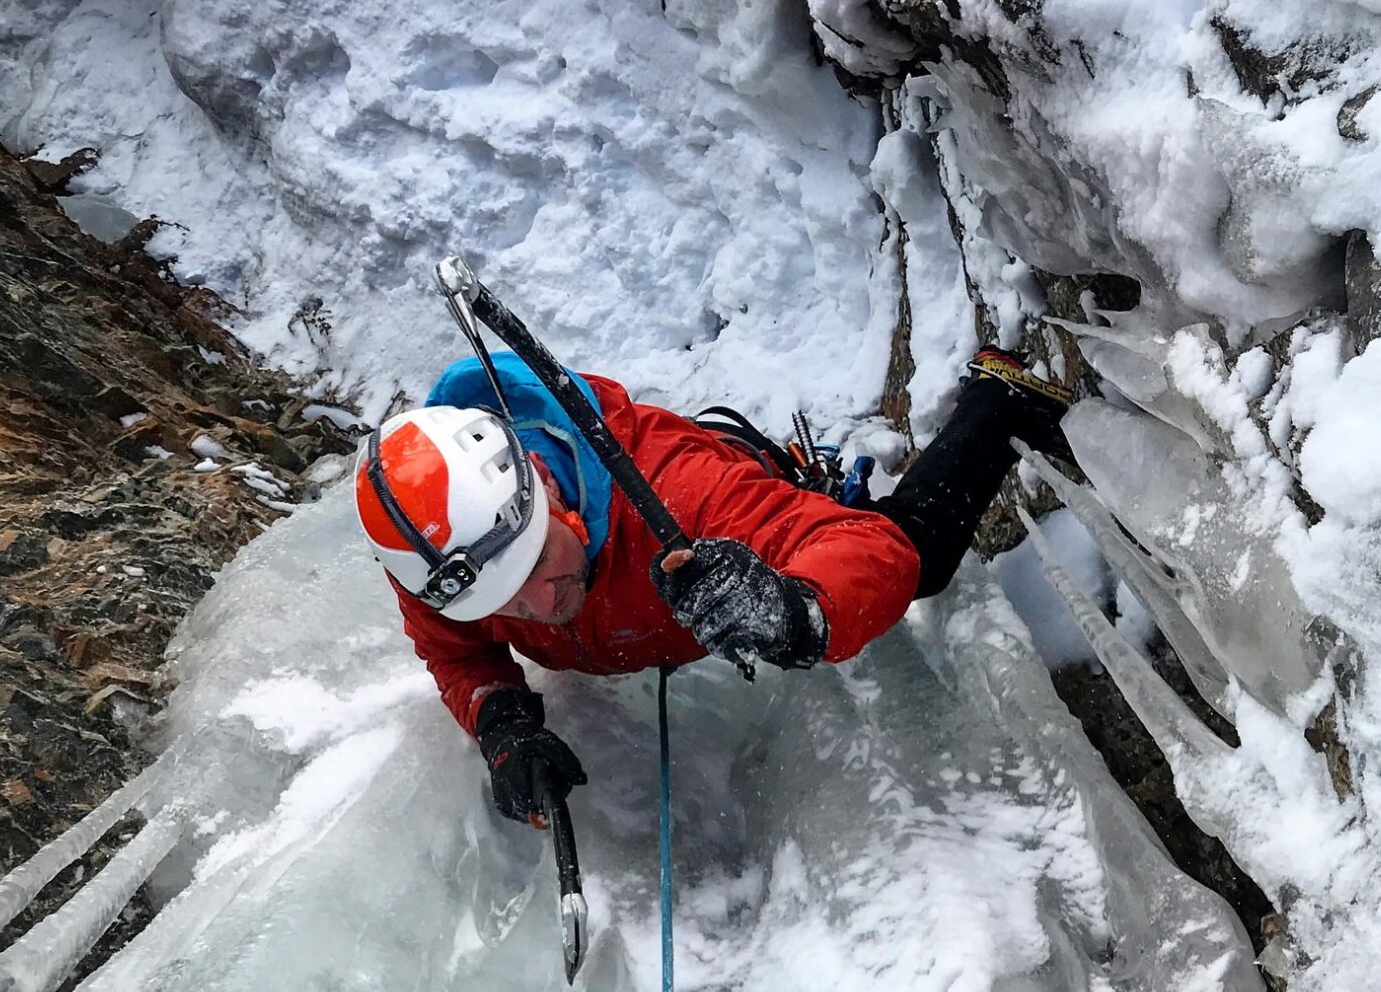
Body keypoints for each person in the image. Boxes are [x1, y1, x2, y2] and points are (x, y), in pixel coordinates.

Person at [354, 348, 1071, 824]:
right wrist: (502, 725)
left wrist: (794, 611)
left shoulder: (675, 497)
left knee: (923, 553)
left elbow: (867, 550)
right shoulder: (445, 557)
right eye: (507, 601)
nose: (540, 606)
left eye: (539, 564)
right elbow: (456, 653)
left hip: (728, 491)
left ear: (544, 487)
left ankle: (1003, 397)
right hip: (642, 616)